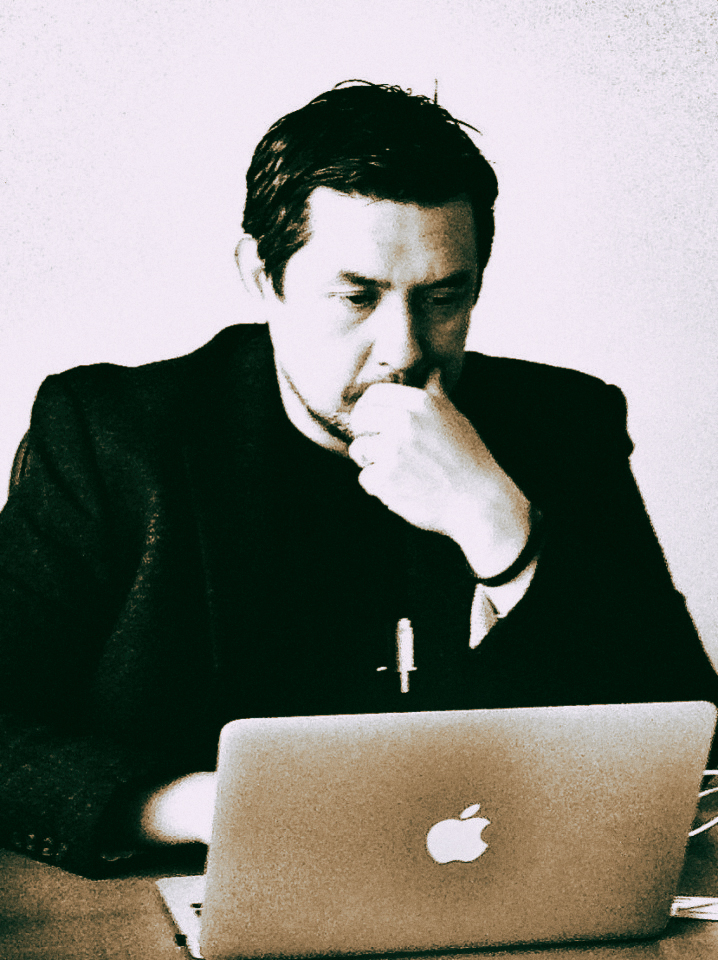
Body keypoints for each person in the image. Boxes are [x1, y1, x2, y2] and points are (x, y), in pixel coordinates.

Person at [0, 81, 716, 877]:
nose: (403, 348)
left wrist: (500, 529)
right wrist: (219, 807)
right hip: (190, 893)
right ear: (261, 277)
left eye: (444, 298)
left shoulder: (563, 426)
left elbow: (691, 742)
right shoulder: (113, 437)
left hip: (505, 901)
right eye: (355, 296)